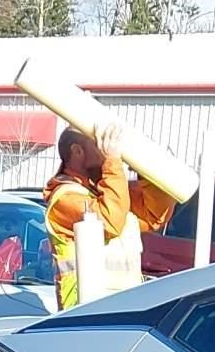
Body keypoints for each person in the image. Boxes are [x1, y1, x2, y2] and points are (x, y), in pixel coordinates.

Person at [43, 123, 175, 310]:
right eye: (100, 145)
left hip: (123, 309)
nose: (107, 150)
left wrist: (145, 170)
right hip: (84, 312)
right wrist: (112, 162)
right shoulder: (65, 198)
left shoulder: (106, 192)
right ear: (77, 151)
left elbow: (153, 215)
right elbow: (110, 221)